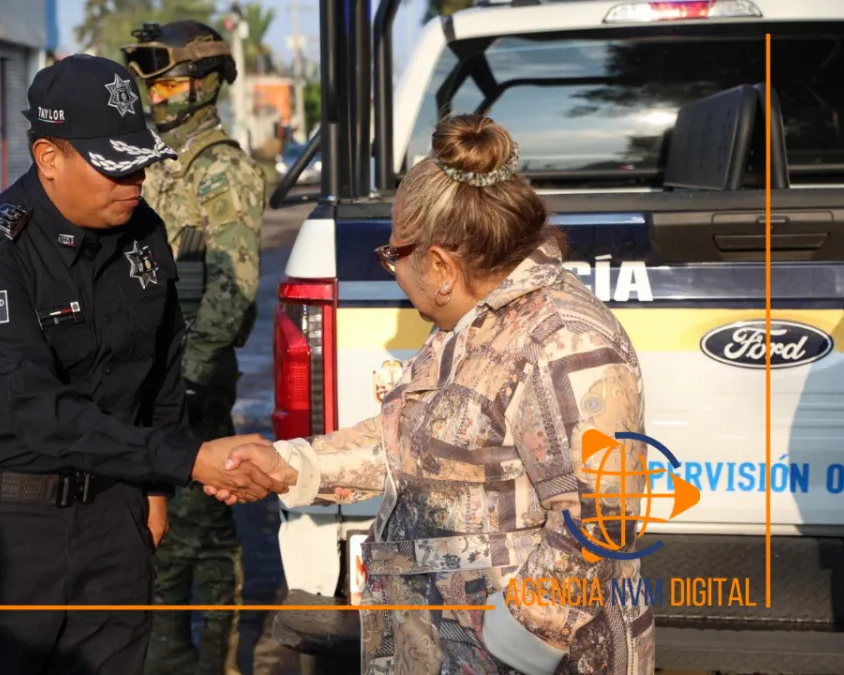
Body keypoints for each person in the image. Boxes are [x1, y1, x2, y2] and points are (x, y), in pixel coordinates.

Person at [214, 114, 655, 675]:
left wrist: (521, 635)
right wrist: (290, 465)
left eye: (394, 254)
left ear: (442, 265)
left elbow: (600, 517)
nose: (393, 269)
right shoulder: (471, 325)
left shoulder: (565, 342)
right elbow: (415, 442)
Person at [0, 53, 286, 675]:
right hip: (1, 536)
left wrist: (155, 491)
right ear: (49, 158)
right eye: (114, 167)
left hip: (116, 519)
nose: (133, 180)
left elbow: (162, 366)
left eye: (139, 161)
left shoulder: (142, 232)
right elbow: (42, 414)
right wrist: (188, 461)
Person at [122, 19, 266, 675]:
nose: (159, 96)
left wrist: (195, 375)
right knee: (156, 522)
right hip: (146, 373)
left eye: (172, 82)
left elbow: (233, 290)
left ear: (205, 86)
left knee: (205, 525)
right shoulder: (157, 164)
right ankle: (165, 650)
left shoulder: (222, 170)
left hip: (192, 375)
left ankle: (218, 661)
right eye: (153, 86)